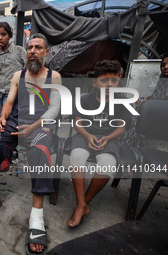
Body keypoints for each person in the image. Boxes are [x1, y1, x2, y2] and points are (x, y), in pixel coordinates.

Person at [0, 33, 61, 255]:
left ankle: (37, 215)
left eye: (38, 48)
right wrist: (2, 117)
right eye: (30, 47)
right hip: (14, 123)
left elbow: (54, 109)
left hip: (39, 126)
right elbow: (9, 101)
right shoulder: (18, 75)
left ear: (46, 52)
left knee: (42, 149)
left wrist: (33, 128)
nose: (33, 51)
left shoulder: (55, 76)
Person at [66, 60, 132, 228]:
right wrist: (88, 136)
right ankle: (81, 205)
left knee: (107, 165)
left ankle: (83, 204)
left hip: (109, 138)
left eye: (114, 81)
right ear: (94, 82)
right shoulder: (85, 99)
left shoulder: (122, 102)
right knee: (77, 157)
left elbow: (121, 128)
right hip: (85, 135)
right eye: (104, 80)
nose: (109, 85)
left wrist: (108, 138)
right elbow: (77, 123)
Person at [122, 53, 168, 147]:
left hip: (162, 117)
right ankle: (127, 148)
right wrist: (144, 99)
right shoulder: (162, 79)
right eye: (163, 65)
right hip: (154, 111)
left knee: (137, 124)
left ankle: (134, 148)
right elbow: (157, 96)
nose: (166, 67)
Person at [0, 22, 26, 120]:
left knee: (7, 120)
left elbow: (28, 68)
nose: (0, 38)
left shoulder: (18, 50)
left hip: (11, 92)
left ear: (9, 36)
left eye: (3, 34)